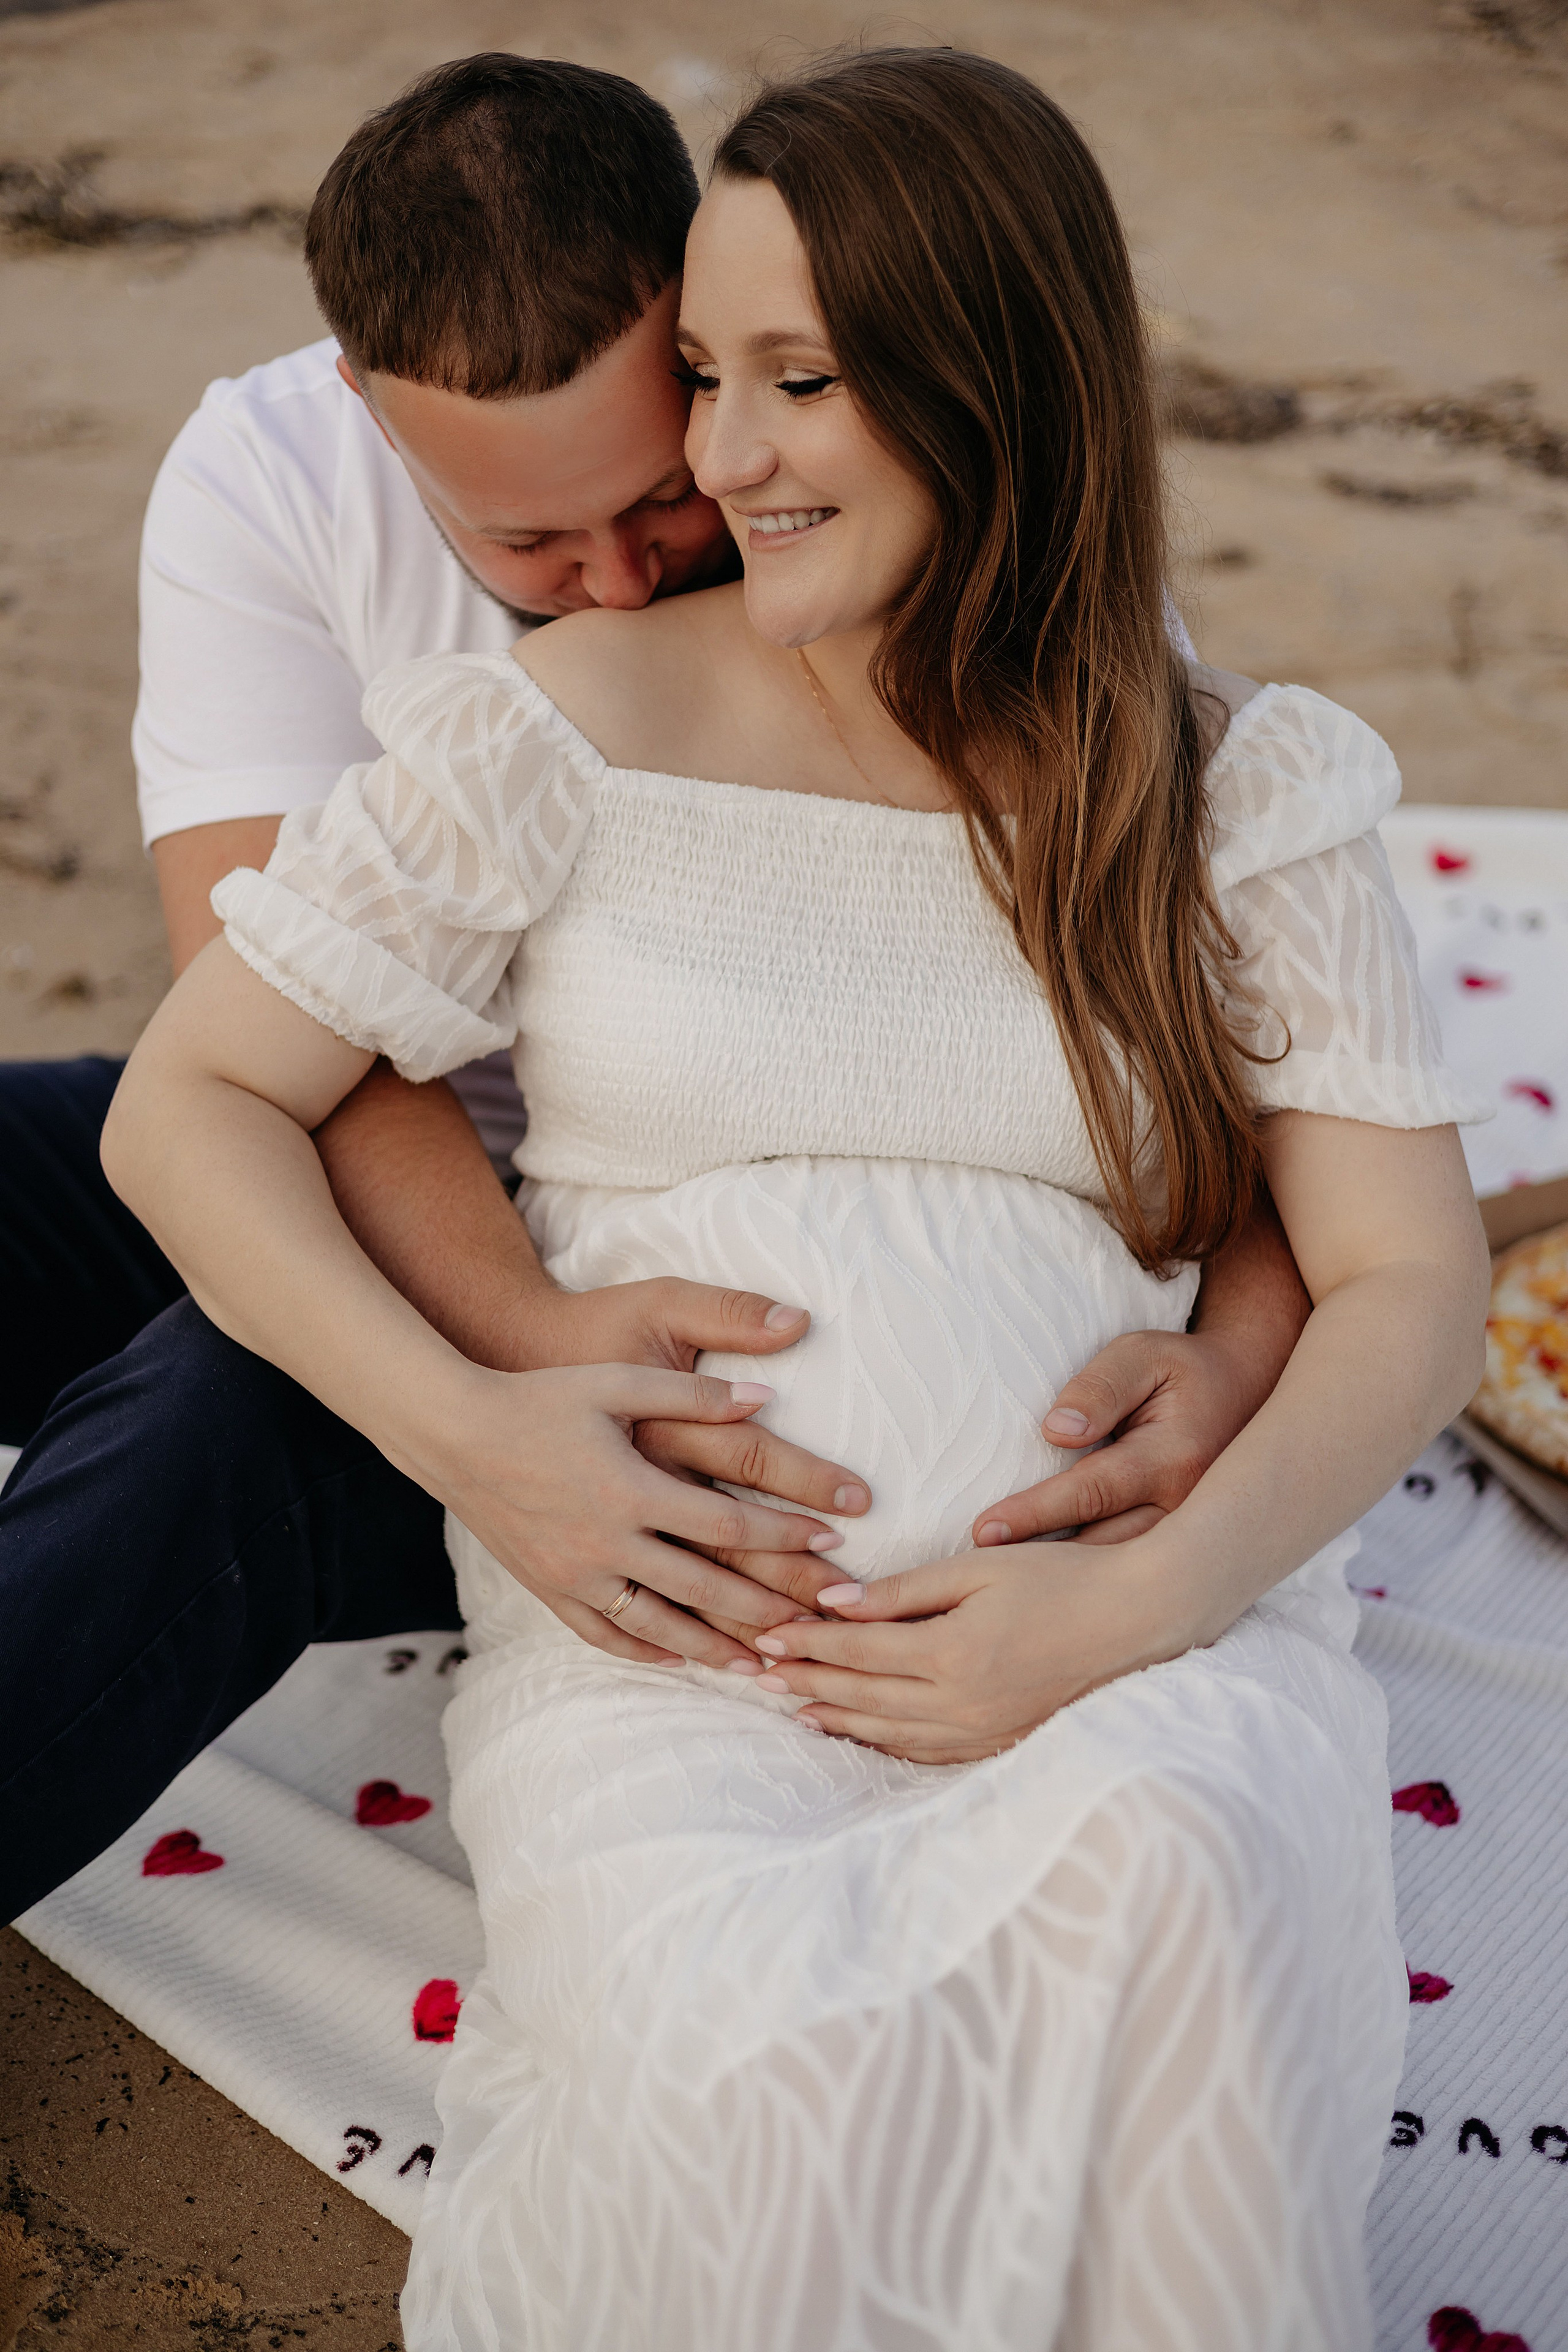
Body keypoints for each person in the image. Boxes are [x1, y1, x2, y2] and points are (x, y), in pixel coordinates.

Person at [101, 44, 1489, 2346]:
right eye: (710, 378)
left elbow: (1407, 1282)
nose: (718, 460)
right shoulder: (561, 721)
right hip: (689, 1663)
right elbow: (191, 1106)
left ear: (987, 381)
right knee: (747, 2089)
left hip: (1130, 1652)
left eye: (790, 382)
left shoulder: (1232, 783)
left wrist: (1137, 1614)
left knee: (1171, 1899)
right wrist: (482, 1431)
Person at [1, 53, 1313, 1925]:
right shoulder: (273, 474)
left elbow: (1207, 1073)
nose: (614, 583)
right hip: (424, 1189)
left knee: (210, 1419)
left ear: (701, 343)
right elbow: (290, 1045)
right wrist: (513, 1372)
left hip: (721, 1302)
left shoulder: (924, 542)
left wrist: (1236, 1362)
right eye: (526, 546)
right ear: (373, 414)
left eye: (653, 502)